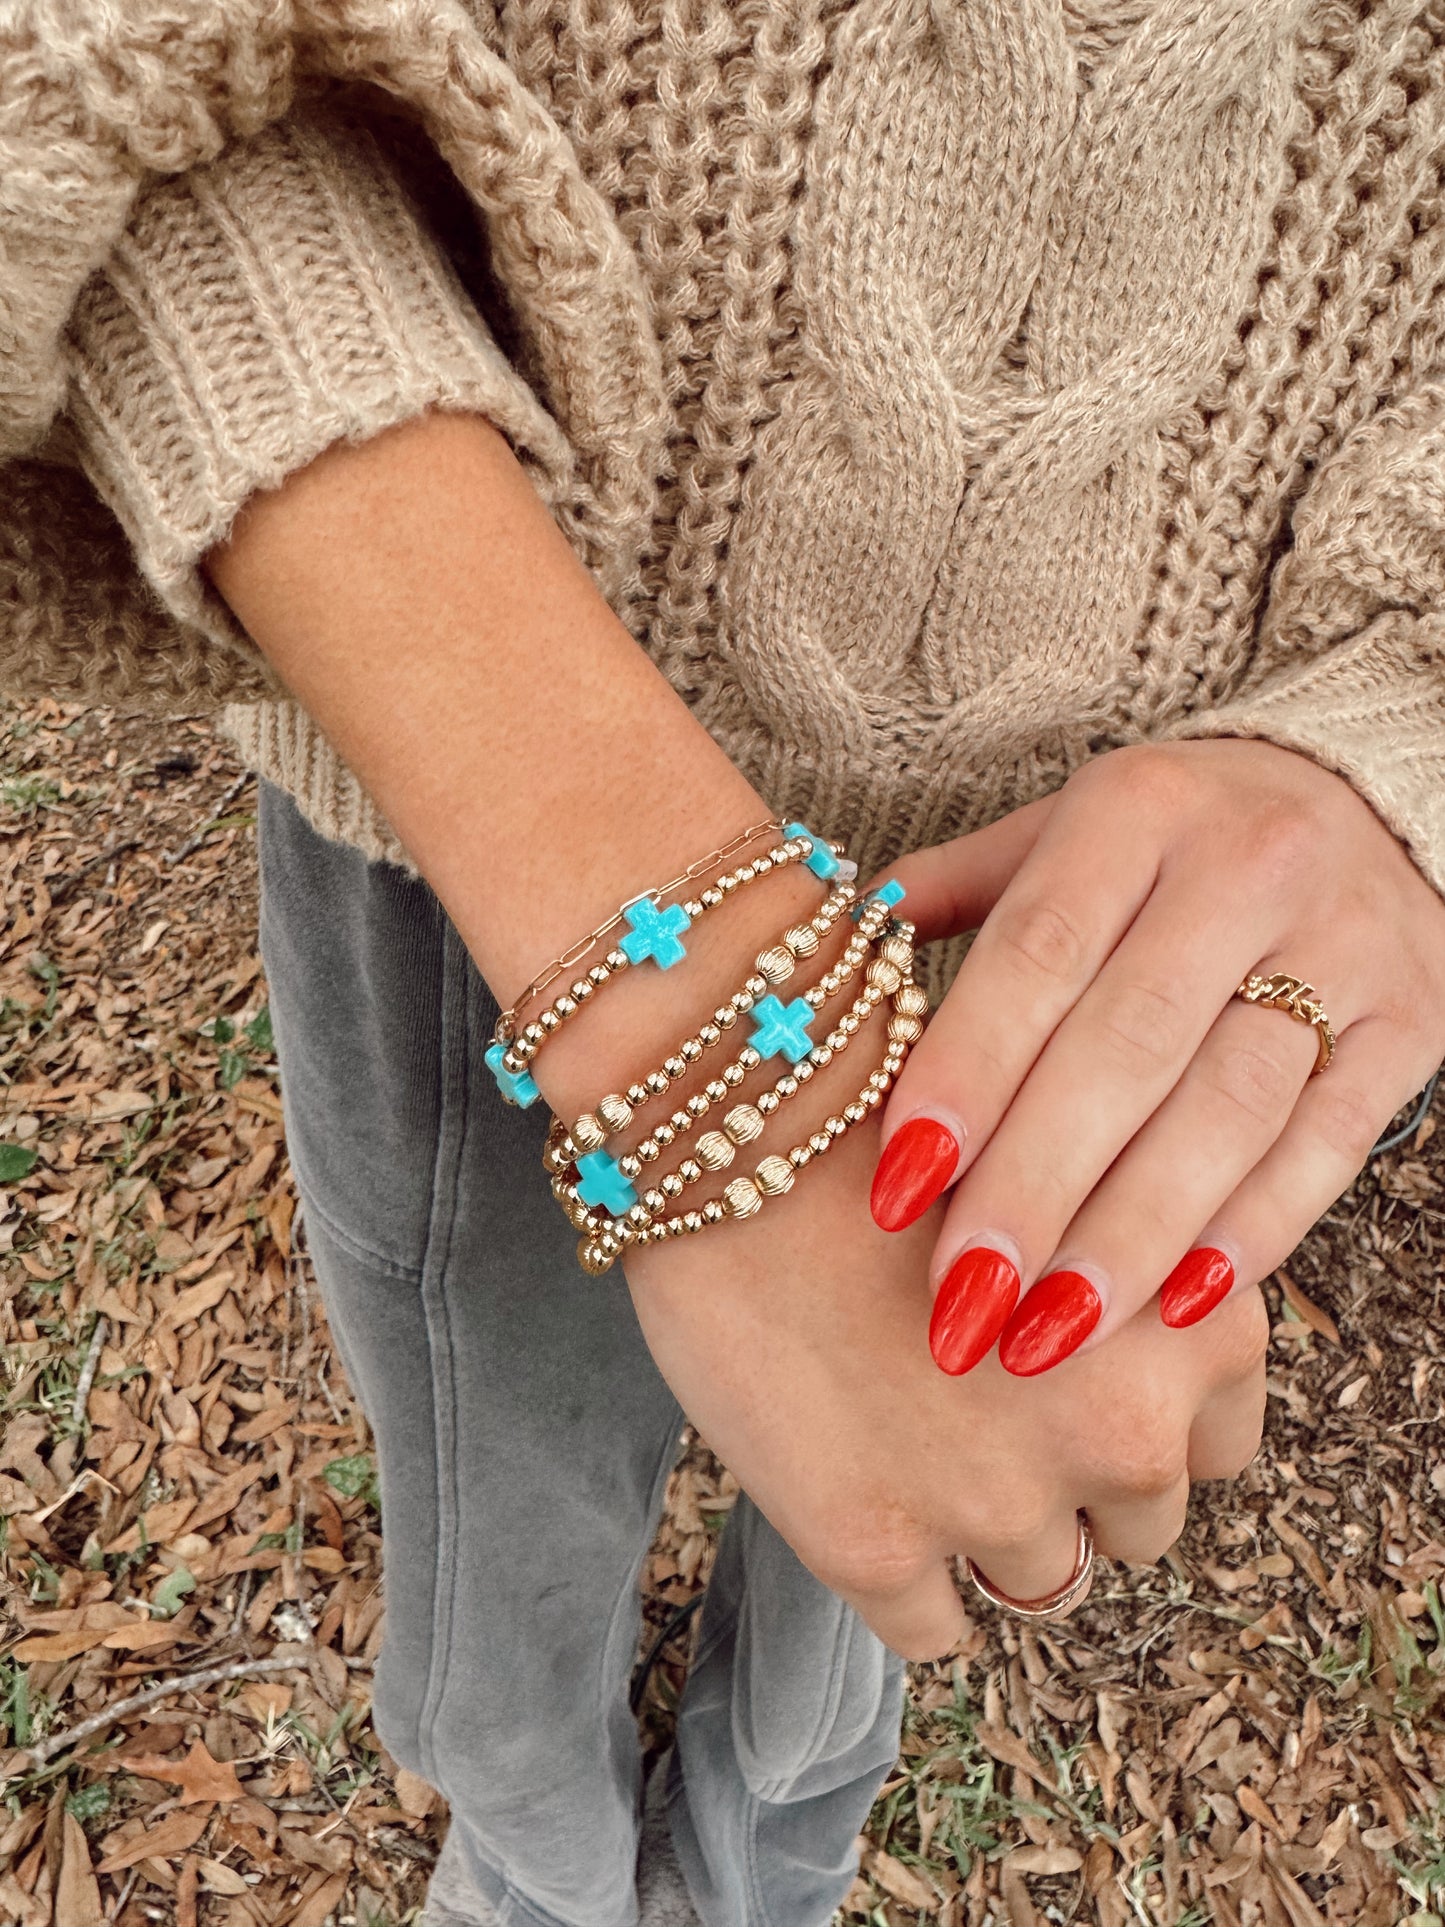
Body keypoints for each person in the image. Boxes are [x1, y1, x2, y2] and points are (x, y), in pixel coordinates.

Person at [5, 3, 1445, 1922]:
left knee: (908, 1489)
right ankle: (538, 1860)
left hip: (1137, 920)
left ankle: (775, 1845)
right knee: (502, 1486)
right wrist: (655, 956)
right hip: (472, 807)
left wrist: (1398, 732)